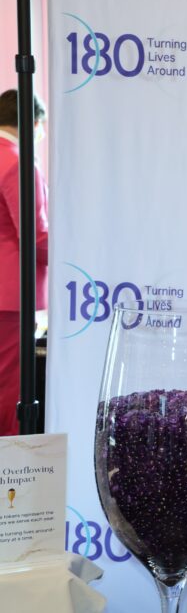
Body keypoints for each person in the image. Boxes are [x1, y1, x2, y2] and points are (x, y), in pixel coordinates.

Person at [0, 90, 47, 437]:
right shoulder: (18, 161)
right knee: (10, 392)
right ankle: (10, 478)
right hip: (11, 297)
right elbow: (35, 238)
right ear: (32, 124)